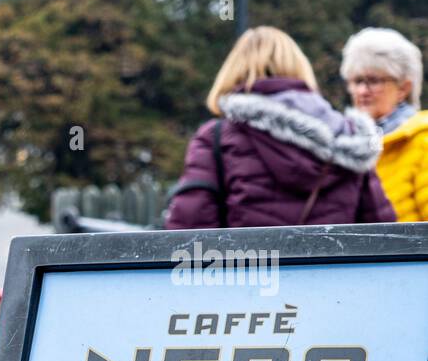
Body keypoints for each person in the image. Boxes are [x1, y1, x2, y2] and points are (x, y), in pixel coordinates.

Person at [167, 26, 394, 229]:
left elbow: (190, 228)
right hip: (334, 275)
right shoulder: (349, 136)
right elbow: (384, 235)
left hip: (251, 274)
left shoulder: (216, 138)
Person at [342, 27, 428, 221]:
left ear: (403, 88)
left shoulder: (422, 141)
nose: (363, 91)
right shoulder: (344, 143)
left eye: (373, 81)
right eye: (357, 81)